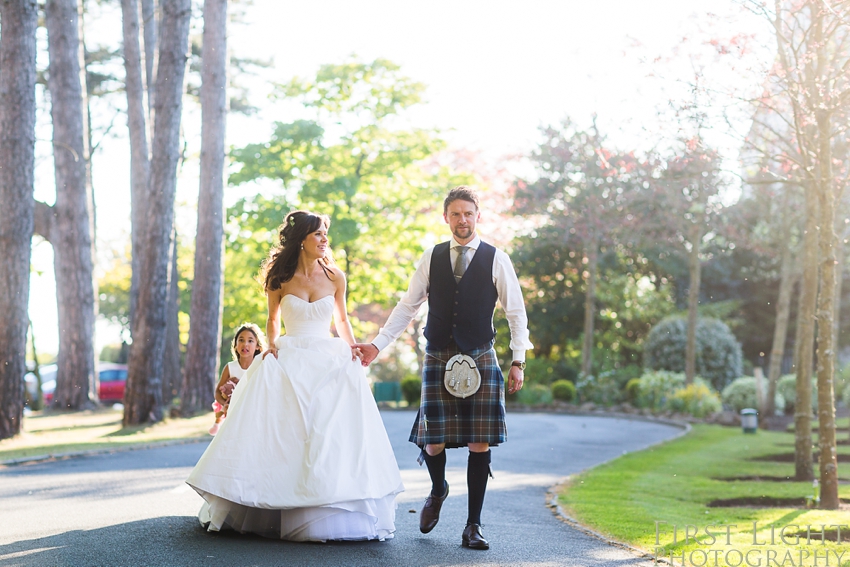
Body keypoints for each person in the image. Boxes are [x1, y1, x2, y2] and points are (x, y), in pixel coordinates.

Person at [187, 210, 404, 542]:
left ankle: (328, 500)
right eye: (318, 234)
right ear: (302, 238)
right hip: (288, 356)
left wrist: (352, 348)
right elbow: (272, 319)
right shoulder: (279, 276)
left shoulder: (335, 277)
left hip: (326, 357)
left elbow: (342, 321)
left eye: (325, 234)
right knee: (284, 431)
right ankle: (273, 499)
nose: (324, 239)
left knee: (326, 432)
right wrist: (272, 345)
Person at [353, 186, 533, 550]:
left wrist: (518, 360)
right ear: (446, 217)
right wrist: (378, 344)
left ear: (477, 216)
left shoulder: (497, 259)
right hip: (438, 354)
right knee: (433, 442)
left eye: (468, 213)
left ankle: (473, 526)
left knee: (477, 442)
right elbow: (407, 306)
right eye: (455, 214)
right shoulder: (431, 257)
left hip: (481, 355)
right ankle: (438, 490)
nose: (462, 220)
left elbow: (516, 313)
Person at [208, 323, 264, 435]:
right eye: (241, 340)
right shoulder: (230, 367)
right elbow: (218, 393)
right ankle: (217, 423)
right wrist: (225, 405)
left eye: (250, 341)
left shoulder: (261, 366)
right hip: (233, 412)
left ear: (257, 346)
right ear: (235, 345)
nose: (245, 344)